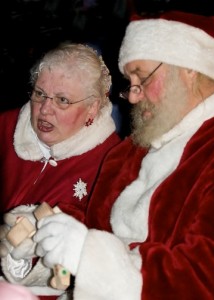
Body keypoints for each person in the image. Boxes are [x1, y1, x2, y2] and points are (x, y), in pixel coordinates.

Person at [33, 11, 214, 299]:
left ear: (189, 69)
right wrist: (41, 229)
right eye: (131, 82)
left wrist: (88, 256)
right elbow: (96, 222)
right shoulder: (136, 147)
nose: (133, 96)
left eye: (141, 77)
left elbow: (209, 284)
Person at [0, 43, 120, 298]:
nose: (45, 109)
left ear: (92, 108)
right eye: (40, 94)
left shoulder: (113, 163)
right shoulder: (4, 127)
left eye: (62, 100)